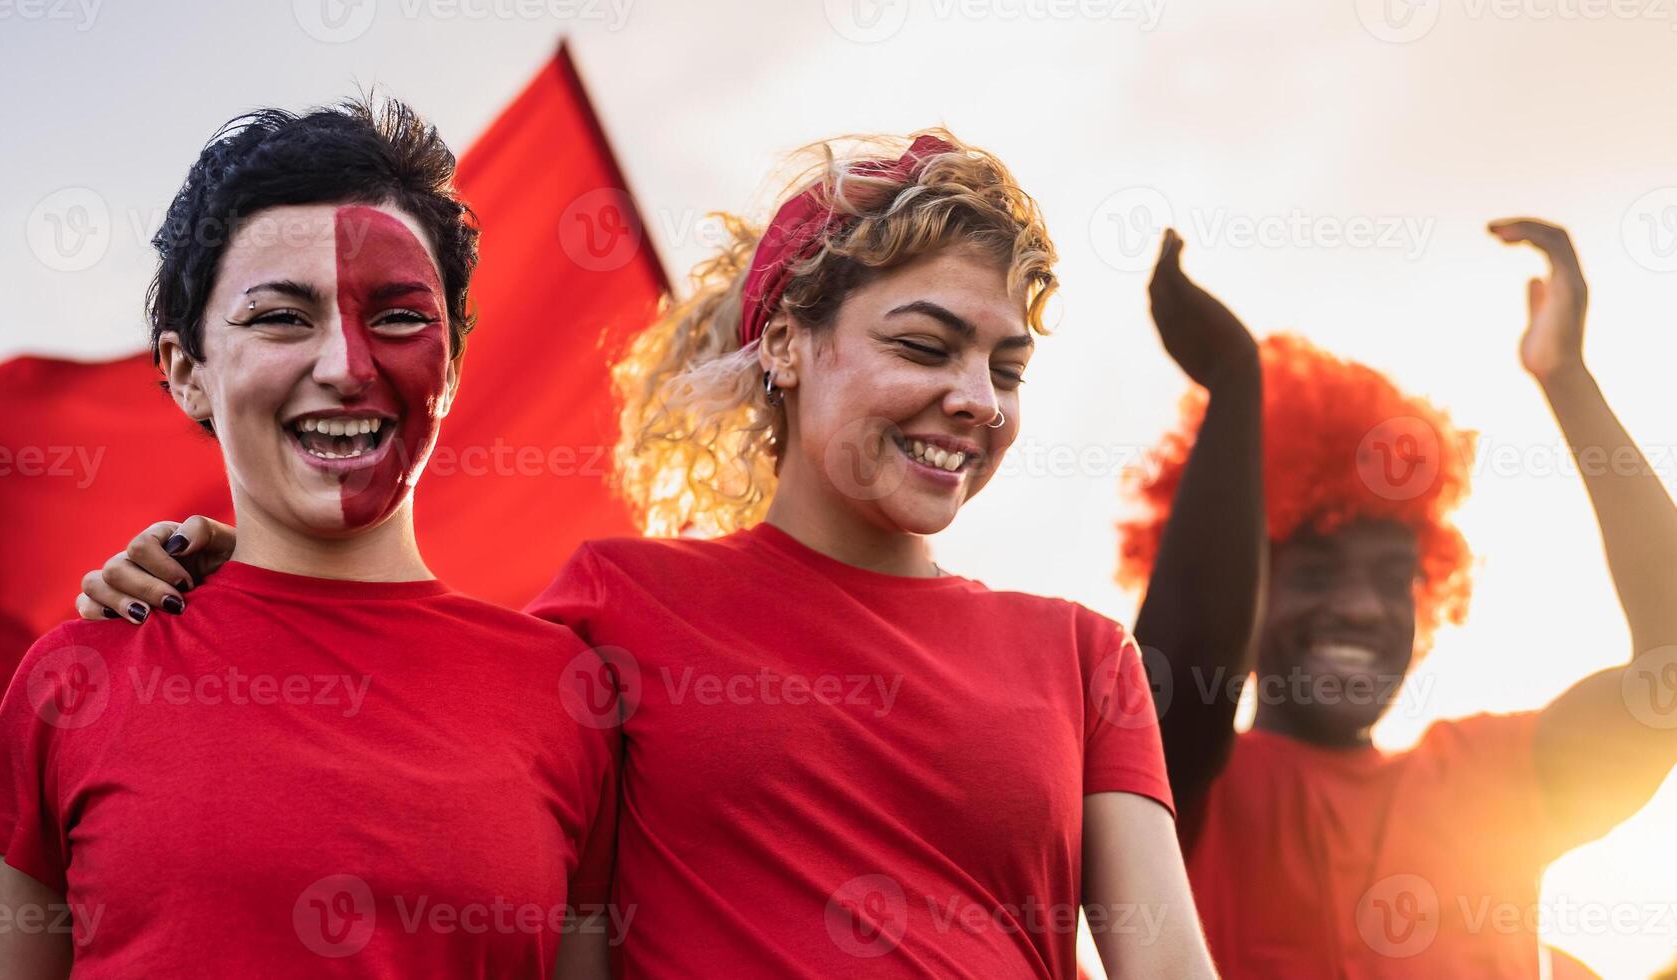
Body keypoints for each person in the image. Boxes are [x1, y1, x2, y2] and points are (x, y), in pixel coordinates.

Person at [67, 129, 1217, 978]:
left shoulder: (1082, 656)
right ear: (783, 343)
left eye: (1007, 368)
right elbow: (411, 684)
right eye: (925, 343)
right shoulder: (621, 605)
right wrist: (230, 564)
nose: (974, 399)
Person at [0, 98, 618, 978]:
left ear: (450, 363)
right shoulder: (75, 676)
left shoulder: (568, 696)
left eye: (400, 317)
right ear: (187, 374)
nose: (346, 364)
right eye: (279, 318)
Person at [1118, 218, 1677, 976]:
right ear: (1244, 590)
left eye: (1394, 580)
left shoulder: (1490, 780)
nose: (1363, 607)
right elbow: (1184, 658)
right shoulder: (1182, 785)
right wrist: (1234, 382)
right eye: (1315, 574)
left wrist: (1566, 379)